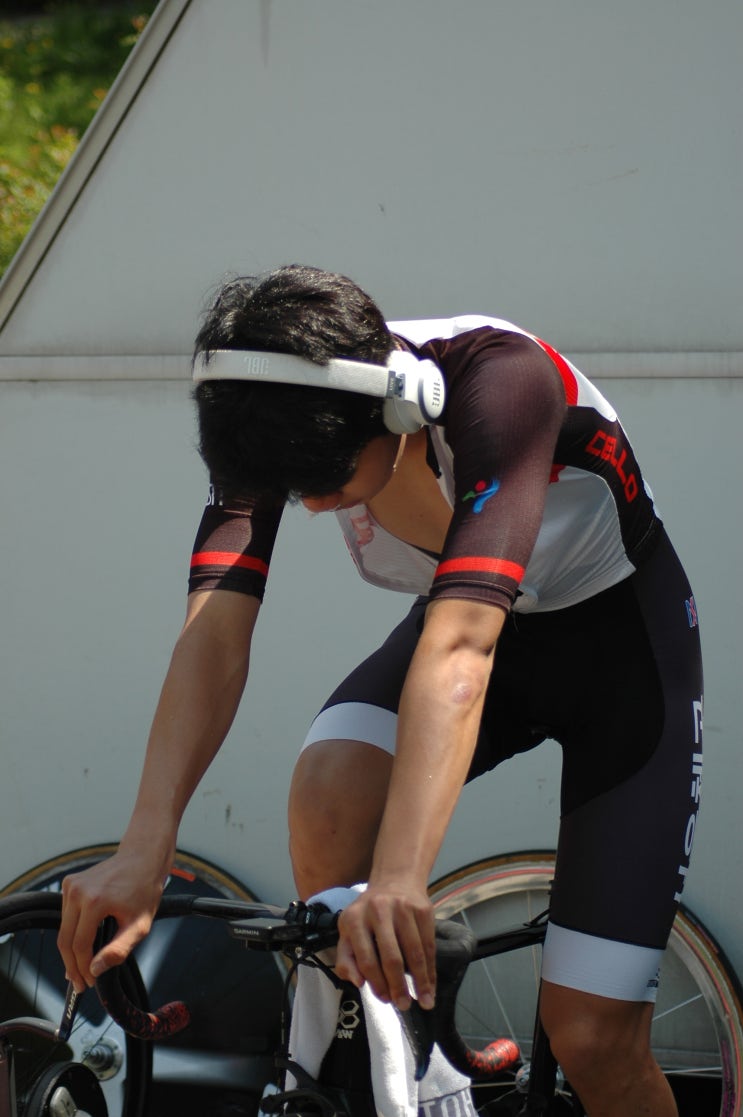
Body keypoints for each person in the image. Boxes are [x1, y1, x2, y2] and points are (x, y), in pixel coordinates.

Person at [58, 264, 703, 1116]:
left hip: (618, 658)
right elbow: (213, 632)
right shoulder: (272, 393)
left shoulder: (501, 383)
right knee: (328, 796)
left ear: (399, 410)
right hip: (461, 631)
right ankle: (413, 1066)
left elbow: (462, 645)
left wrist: (400, 875)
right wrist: (146, 844)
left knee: (592, 1038)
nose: (312, 506)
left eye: (326, 479)